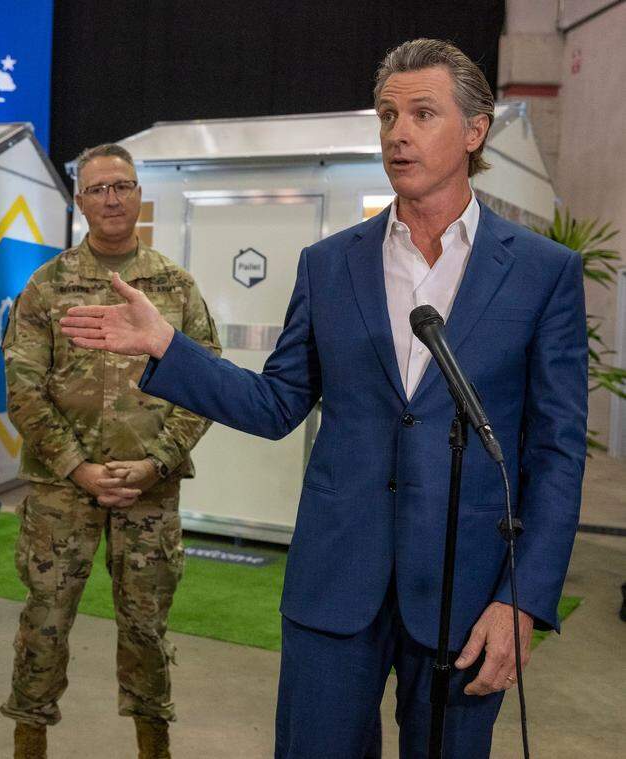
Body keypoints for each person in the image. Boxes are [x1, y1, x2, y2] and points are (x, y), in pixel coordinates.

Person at [60, 39, 587, 758]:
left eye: (423, 113)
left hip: (466, 596)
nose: (398, 132)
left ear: (475, 130)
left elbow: (555, 451)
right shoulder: (330, 263)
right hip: (334, 588)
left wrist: (524, 600)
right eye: (387, 115)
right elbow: (277, 403)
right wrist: (167, 348)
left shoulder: (542, 273)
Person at [1, 144, 220, 759]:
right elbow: (24, 389)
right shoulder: (47, 287)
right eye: (98, 189)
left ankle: (155, 746)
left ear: (139, 195)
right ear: (80, 200)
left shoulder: (174, 286)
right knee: (45, 623)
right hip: (61, 492)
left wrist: (157, 462)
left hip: (150, 489)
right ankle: (29, 742)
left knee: (147, 629)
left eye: (122, 186)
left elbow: (206, 384)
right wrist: (80, 468)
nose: (112, 198)